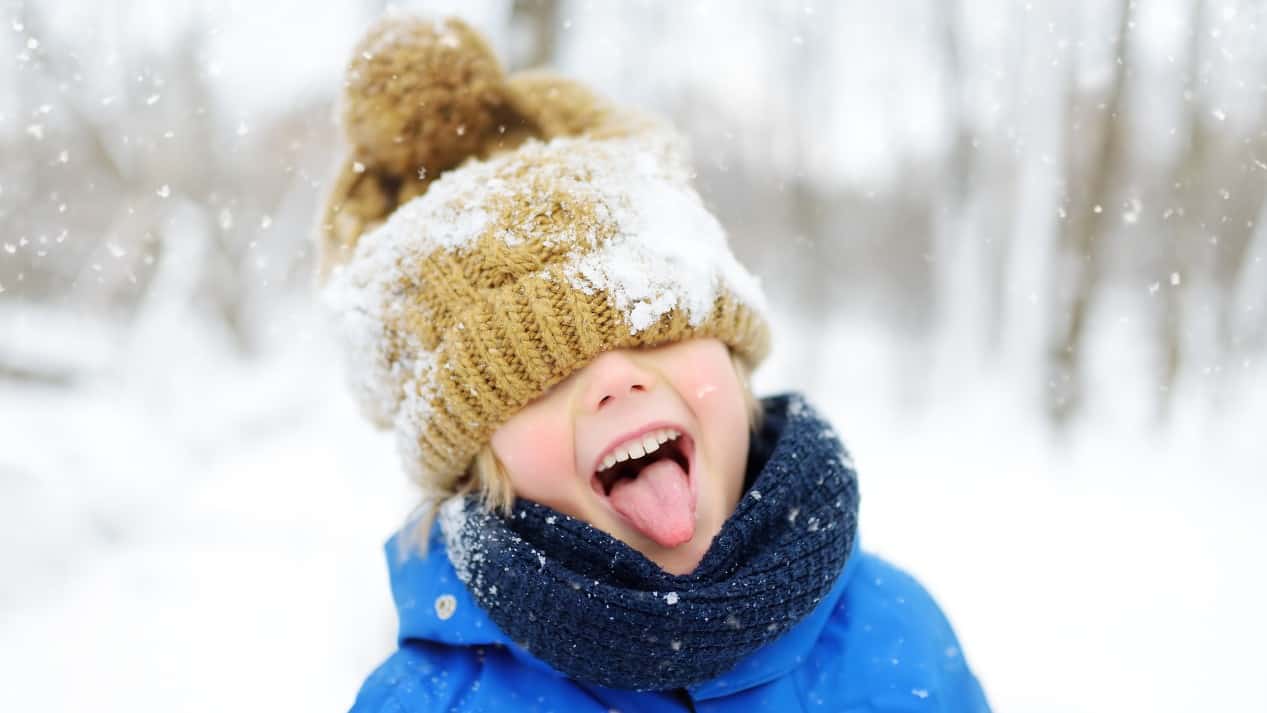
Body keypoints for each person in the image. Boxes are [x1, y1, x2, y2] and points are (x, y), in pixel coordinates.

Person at [317, 11, 991, 712]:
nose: (615, 379)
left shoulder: (895, 636)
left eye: (649, 324)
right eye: (541, 375)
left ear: (733, 362)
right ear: (473, 460)